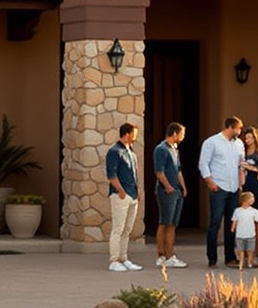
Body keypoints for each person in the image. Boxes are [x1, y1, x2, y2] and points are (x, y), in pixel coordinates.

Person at [197, 117, 246, 268]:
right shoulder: (212, 142)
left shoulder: (239, 144)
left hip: (234, 188)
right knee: (215, 223)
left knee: (231, 224)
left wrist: (241, 181)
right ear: (230, 127)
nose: (240, 131)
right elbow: (203, 163)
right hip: (219, 187)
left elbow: (241, 163)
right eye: (239, 128)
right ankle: (212, 258)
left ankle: (230, 257)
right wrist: (210, 182)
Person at [104, 122, 142, 273]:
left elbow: (134, 174)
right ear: (126, 134)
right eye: (134, 134)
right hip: (121, 195)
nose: (135, 137)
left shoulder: (130, 152)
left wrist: (138, 192)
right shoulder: (114, 151)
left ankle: (124, 258)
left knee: (127, 229)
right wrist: (120, 191)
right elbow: (111, 174)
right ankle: (114, 260)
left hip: (132, 194)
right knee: (118, 229)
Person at [149, 122, 188, 268]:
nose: (183, 137)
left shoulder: (175, 149)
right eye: (182, 134)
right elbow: (159, 172)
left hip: (177, 191)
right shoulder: (161, 149)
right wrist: (168, 187)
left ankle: (171, 254)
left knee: (172, 224)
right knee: (165, 222)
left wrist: (183, 187)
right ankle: (162, 254)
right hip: (167, 192)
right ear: (175, 133)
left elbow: (178, 171)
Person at [230, 190, 258, 270]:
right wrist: (233, 228)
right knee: (240, 250)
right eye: (251, 198)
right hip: (240, 235)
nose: (253, 199)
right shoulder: (237, 211)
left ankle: (250, 263)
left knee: (250, 250)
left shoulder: (254, 211)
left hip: (251, 234)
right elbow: (235, 220)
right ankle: (241, 263)